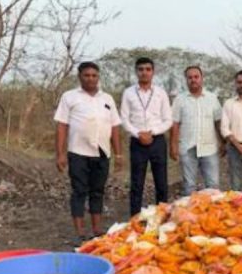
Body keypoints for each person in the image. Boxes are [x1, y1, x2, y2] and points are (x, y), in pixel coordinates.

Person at [54, 61, 122, 242]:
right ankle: (80, 232)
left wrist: (119, 154)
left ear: (98, 77)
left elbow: (115, 127)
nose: (91, 79)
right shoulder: (69, 97)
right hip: (78, 152)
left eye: (94, 75)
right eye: (87, 75)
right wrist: (60, 153)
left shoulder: (107, 99)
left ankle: (97, 229)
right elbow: (62, 125)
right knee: (79, 191)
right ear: (80, 77)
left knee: (98, 191)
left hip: (102, 152)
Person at [120, 57, 172, 216]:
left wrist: (152, 132)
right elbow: (124, 118)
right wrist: (138, 134)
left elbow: (168, 119)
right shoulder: (128, 93)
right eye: (141, 69)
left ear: (153, 72)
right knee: (137, 184)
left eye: (148, 69)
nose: (144, 72)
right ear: (136, 72)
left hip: (157, 140)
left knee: (161, 183)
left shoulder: (161, 93)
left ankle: (162, 217)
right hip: (137, 141)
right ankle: (134, 219)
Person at [170, 65, 224, 195]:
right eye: (190, 77)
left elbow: (218, 122)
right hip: (188, 147)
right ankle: (190, 215)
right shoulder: (179, 100)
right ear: (186, 80)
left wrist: (223, 142)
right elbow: (175, 124)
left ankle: (212, 215)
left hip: (209, 148)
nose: (193, 80)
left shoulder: (212, 98)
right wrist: (173, 146)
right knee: (189, 186)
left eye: (196, 77)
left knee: (213, 186)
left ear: (202, 78)